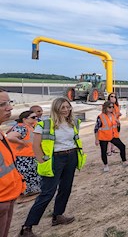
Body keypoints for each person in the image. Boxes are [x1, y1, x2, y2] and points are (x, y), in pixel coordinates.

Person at [19, 97, 87, 237]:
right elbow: (36, 145)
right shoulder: (45, 124)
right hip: (55, 159)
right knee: (47, 193)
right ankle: (27, 227)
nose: (66, 110)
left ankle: (58, 216)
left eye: (68, 107)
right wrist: (42, 161)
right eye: (63, 107)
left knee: (65, 188)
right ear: (56, 109)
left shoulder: (73, 122)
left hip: (71, 157)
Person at [0, 88, 25, 237]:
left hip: (8, 197)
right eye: (2, 104)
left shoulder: (2, 134)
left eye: (9, 102)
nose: (9, 107)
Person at [7, 111, 42, 202]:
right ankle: (23, 196)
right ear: (25, 119)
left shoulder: (30, 126)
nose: (36, 119)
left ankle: (32, 192)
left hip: (30, 156)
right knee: (26, 177)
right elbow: (10, 137)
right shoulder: (21, 127)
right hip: (23, 158)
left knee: (33, 175)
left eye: (36, 117)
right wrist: (22, 143)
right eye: (33, 117)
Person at [94, 101, 128, 172]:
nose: (112, 108)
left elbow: (116, 127)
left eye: (112, 107)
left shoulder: (113, 115)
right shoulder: (100, 117)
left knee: (122, 146)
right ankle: (105, 165)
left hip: (113, 135)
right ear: (105, 108)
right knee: (104, 151)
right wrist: (96, 139)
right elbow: (96, 129)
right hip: (103, 136)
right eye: (110, 107)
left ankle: (124, 161)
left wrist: (118, 124)